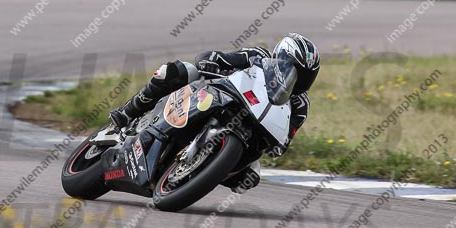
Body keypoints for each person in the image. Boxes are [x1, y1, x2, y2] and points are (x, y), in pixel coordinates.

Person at [109, 34, 320, 193]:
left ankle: (197, 171)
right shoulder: (258, 56)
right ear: (280, 57)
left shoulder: (300, 105)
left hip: (248, 128)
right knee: (178, 71)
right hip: (215, 94)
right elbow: (215, 57)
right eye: (294, 71)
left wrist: (277, 145)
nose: (297, 79)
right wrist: (212, 65)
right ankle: (127, 112)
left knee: (250, 177)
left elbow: (284, 141)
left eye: (305, 76)